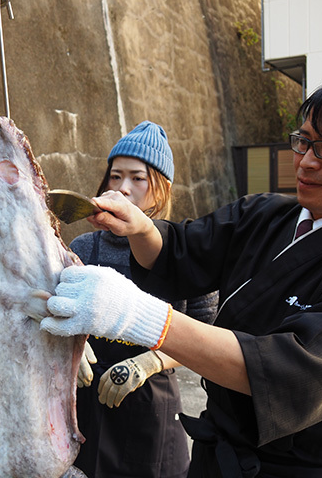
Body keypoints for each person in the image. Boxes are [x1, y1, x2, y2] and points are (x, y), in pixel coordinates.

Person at [40, 65, 322, 477]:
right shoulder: (265, 214)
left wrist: (136, 315)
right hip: (215, 457)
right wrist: (139, 225)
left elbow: (289, 371)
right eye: (304, 142)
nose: (307, 162)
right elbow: (180, 250)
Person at [70, 121, 218, 478]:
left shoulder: (186, 253)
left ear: (161, 188)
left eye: (138, 178)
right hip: (86, 404)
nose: (123, 188)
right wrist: (72, 347)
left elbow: (206, 331)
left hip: (151, 408)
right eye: (115, 176)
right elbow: (53, 307)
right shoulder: (82, 248)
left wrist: (148, 364)